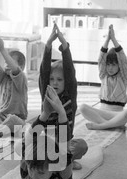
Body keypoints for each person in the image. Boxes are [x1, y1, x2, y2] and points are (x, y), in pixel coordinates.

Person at [40, 22, 88, 170]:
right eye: (52, 79)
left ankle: (64, 159)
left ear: (66, 82)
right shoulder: (46, 94)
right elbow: (44, 71)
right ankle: (59, 161)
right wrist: (48, 45)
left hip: (64, 144)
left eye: (59, 80)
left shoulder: (69, 96)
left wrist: (64, 46)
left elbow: (69, 71)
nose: (55, 83)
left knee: (82, 145)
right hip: (47, 143)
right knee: (31, 143)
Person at [80, 25, 127, 130]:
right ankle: (109, 125)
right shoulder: (103, 75)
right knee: (82, 107)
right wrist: (107, 39)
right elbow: (101, 59)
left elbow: (122, 59)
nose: (110, 68)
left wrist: (113, 39)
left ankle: (103, 125)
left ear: (119, 66)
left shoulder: (123, 76)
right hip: (102, 112)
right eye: (108, 64)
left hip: (117, 114)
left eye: (113, 65)